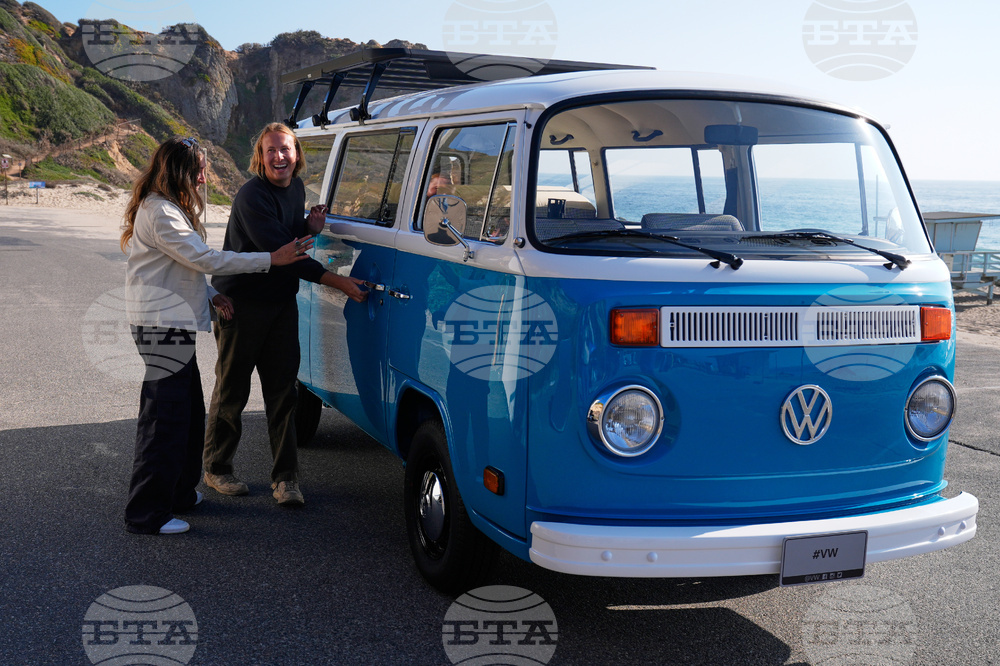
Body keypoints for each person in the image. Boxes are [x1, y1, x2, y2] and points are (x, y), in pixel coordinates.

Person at [121, 136, 312, 535]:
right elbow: (204, 258)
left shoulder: (167, 208)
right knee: (163, 421)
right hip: (161, 327)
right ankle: (146, 513)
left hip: (172, 324)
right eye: (200, 171)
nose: (205, 177)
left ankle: (179, 493)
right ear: (180, 173)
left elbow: (180, 267)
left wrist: (211, 294)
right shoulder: (161, 213)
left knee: (187, 412)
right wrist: (270, 259)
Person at [203, 122, 367, 506]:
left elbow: (289, 238)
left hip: (280, 304)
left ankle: (286, 480)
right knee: (232, 390)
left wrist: (307, 225)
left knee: (284, 393)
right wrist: (337, 282)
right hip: (240, 304)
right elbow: (284, 255)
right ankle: (217, 468)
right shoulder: (250, 196)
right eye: (271, 150)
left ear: (297, 155)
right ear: (260, 157)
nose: (279, 156)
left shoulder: (296, 189)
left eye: (286, 150)